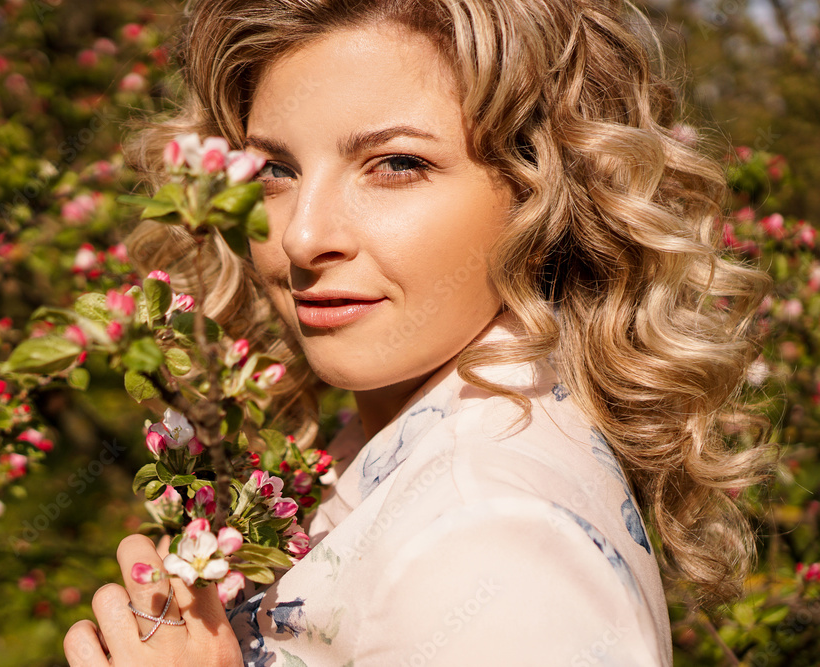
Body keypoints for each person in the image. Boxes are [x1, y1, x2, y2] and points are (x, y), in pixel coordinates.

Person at [64, 0, 778, 665]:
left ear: (544, 193)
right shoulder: (399, 443)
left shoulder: (489, 537)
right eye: (275, 169)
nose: (301, 237)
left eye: (397, 165)